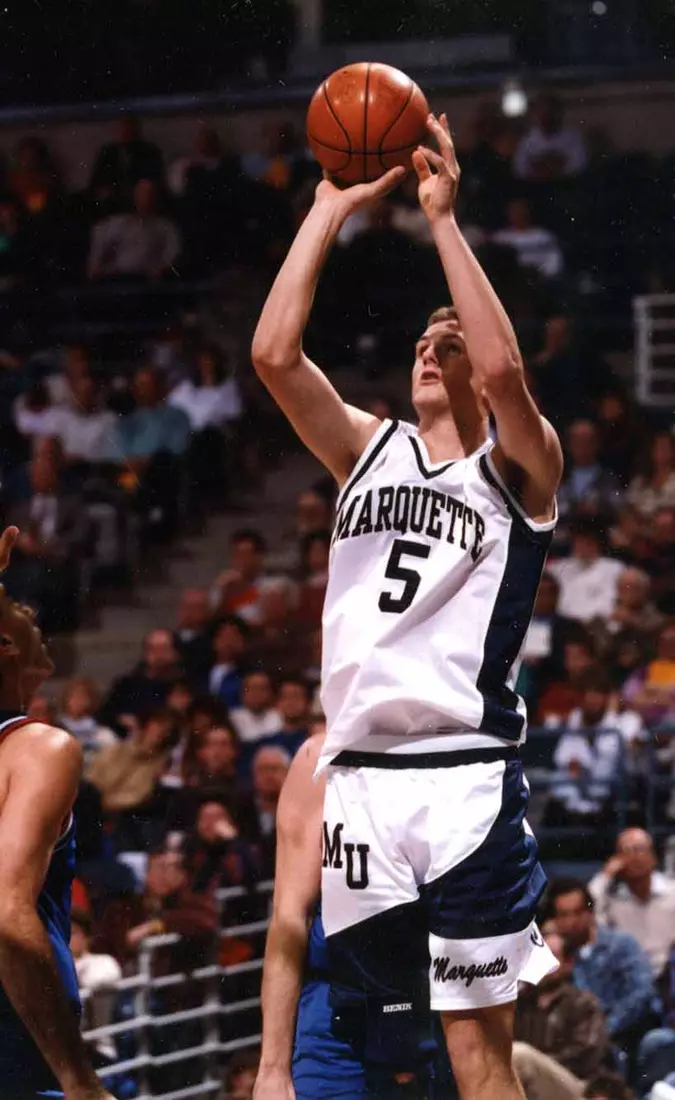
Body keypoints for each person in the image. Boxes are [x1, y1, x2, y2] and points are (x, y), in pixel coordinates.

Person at [252, 112, 562, 1098]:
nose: (436, 345)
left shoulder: (518, 470)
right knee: (365, 1035)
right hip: (358, 777)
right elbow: (272, 354)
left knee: (477, 1057)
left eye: (453, 337)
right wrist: (327, 208)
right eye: (426, 337)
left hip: (462, 781)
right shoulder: (366, 447)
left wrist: (442, 218)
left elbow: (508, 370)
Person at [254, 733, 450, 1100]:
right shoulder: (319, 757)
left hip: (437, 1000)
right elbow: (288, 918)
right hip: (335, 1010)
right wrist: (272, 1069)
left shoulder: (461, 747)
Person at [0, 525, 114, 1099]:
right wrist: (79, 1078)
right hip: (21, 1059)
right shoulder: (40, 747)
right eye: (15, 607)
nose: (28, 610)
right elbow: (5, 913)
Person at [545, 879, 655, 1054]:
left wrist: (604, 1028)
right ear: (555, 920)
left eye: (578, 912)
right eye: (564, 915)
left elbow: (641, 992)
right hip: (576, 1040)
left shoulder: (621, 945)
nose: (572, 921)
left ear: (591, 913)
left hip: (624, 1033)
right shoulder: (557, 956)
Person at [514, 926, 612, 1100]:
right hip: (529, 1081)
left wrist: (539, 1063)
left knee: (521, 1056)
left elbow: (586, 1056)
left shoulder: (583, 1003)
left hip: (577, 1087)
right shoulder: (520, 1003)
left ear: (568, 964)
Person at [589, 828, 675, 980]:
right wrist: (606, 874)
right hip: (626, 977)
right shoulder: (611, 898)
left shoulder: (672, 893)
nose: (635, 857)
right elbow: (586, 905)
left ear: (653, 857)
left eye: (640, 850)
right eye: (627, 851)